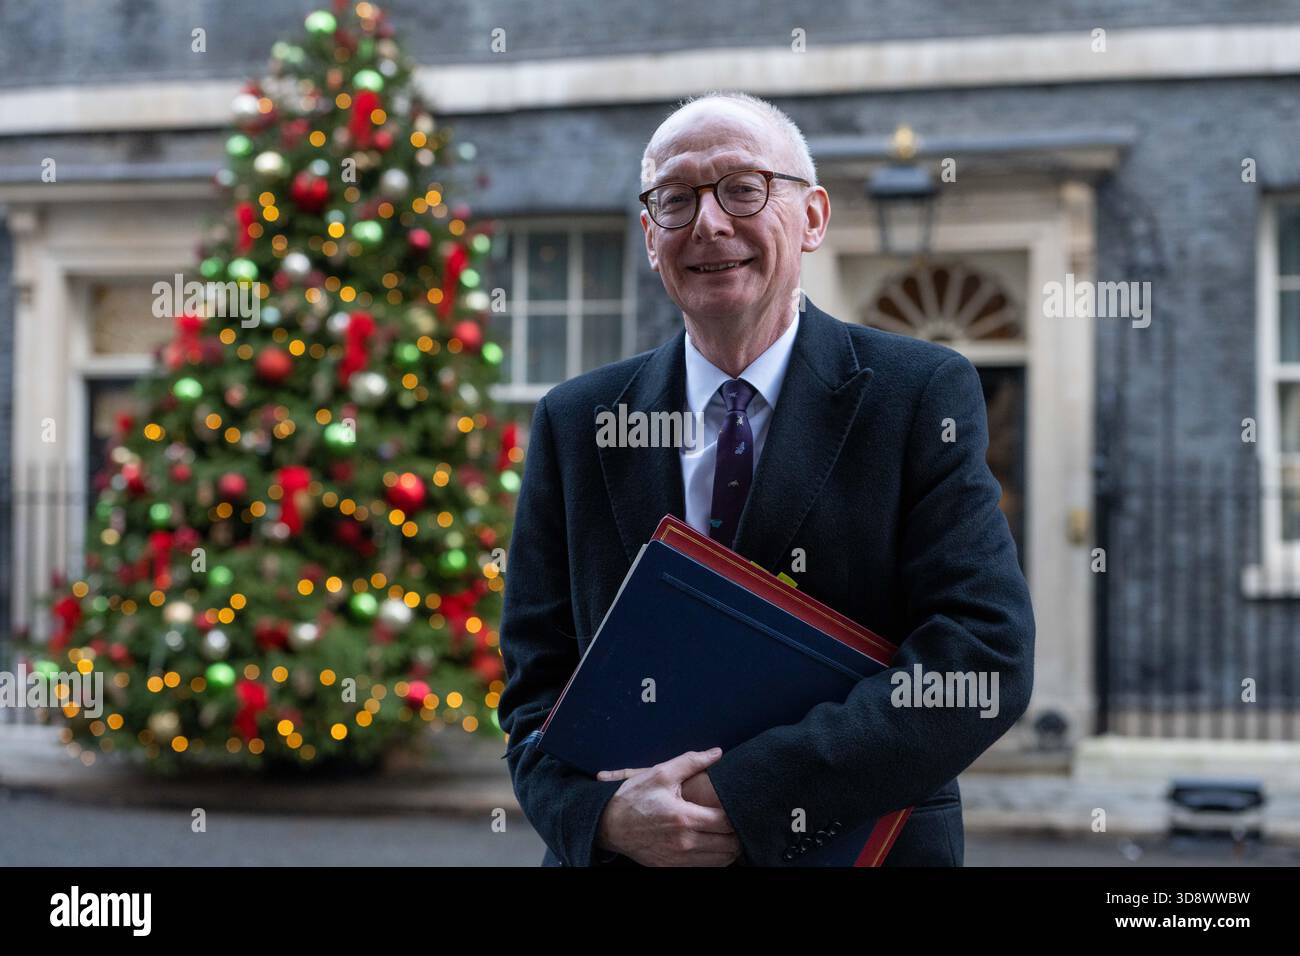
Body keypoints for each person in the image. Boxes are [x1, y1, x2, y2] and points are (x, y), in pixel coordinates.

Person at [497, 91, 1035, 866]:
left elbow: (982, 658)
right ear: (651, 238)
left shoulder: (918, 394)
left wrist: (737, 797)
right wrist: (607, 819)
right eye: (675, 201)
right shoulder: (575, 421)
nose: (709, 224)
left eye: (743, 189)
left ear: (813, 216)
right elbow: (534, 691)